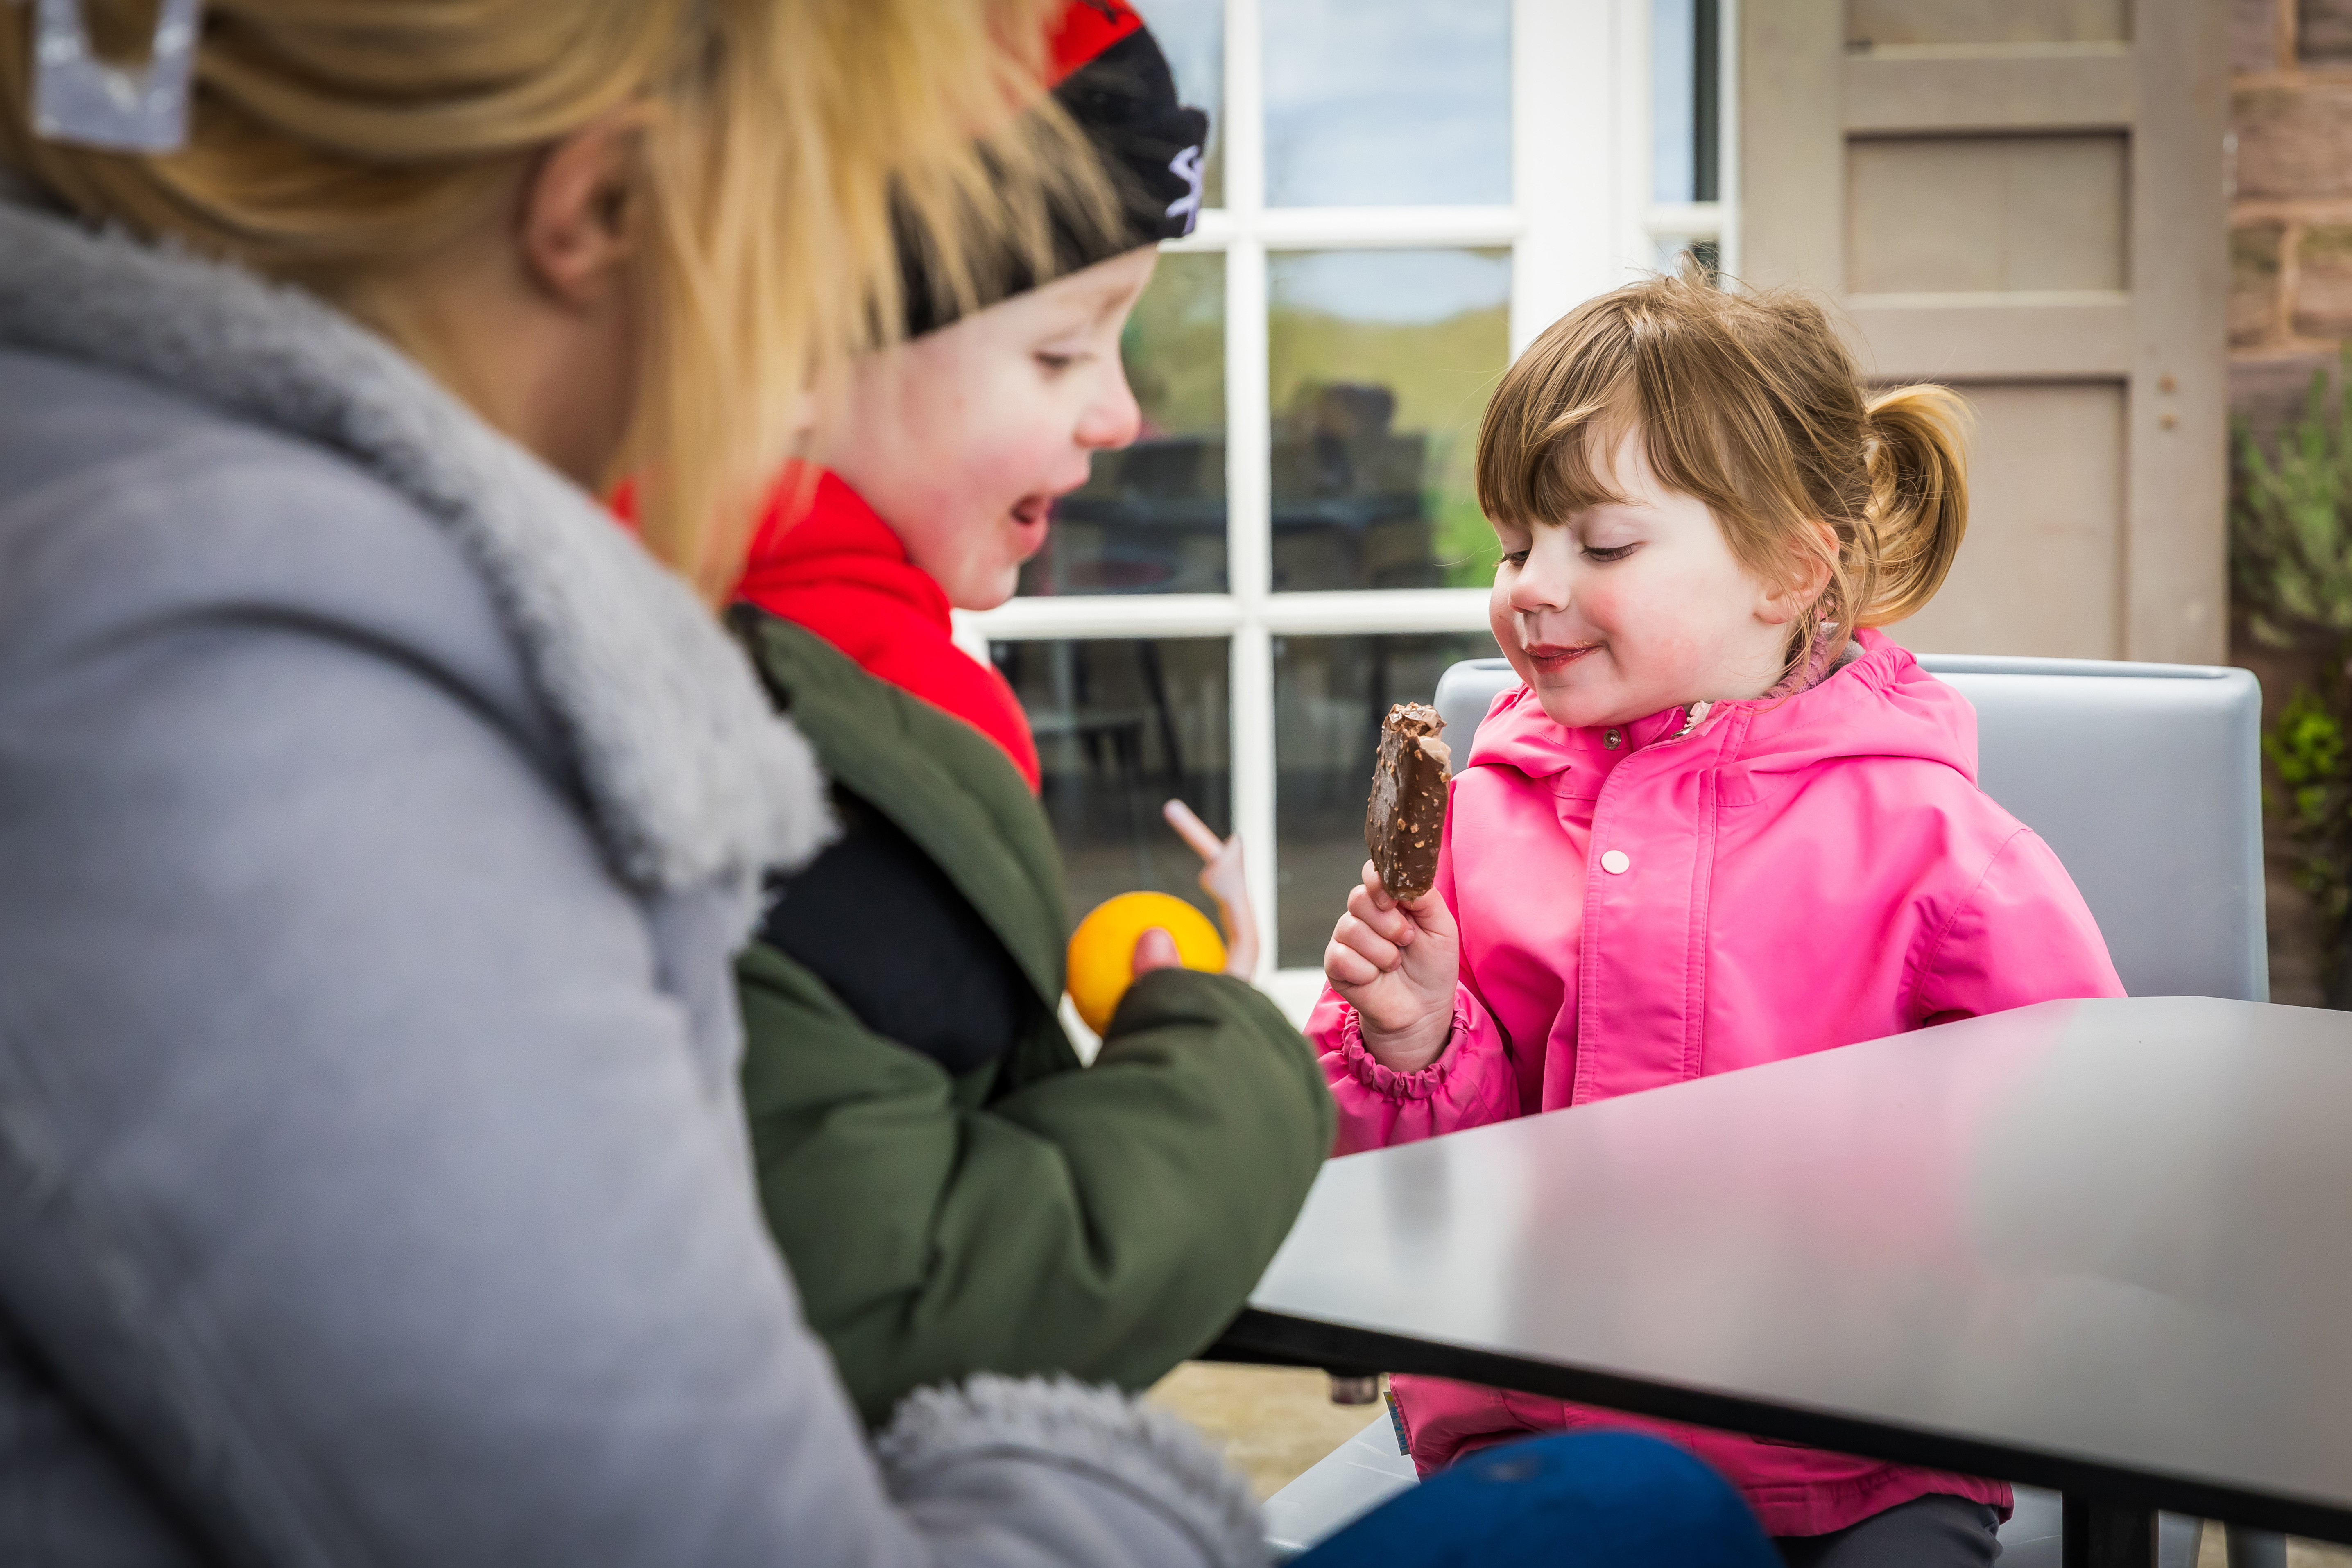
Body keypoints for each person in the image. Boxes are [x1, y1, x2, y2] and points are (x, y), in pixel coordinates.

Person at [0, 1, 1280, 1561]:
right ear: (602, 212)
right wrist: (1134, 1497)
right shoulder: (229, 677)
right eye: (790, 241)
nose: (806, 342)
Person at [1314, 266, 2128, 1567]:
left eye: (1604, 544)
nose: (1532, 585)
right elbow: (1387, 1204)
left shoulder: (1937, 851)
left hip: (1858, 1472)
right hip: (1535, 1459)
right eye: (1516, 545)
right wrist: (1412, 1045)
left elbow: (2105, 1164)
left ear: (1789, 571)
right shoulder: (1474, 830)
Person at [720, 0, 1333, 1427]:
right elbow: (905, 1298)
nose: (1118, 413)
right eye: (1062, 352)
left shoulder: (863, 669)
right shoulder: (781, 747)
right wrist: (1225, 1042)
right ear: (803, 347)